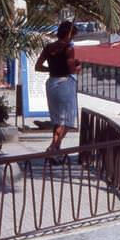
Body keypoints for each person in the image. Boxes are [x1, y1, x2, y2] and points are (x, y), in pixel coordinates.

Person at [34, 20, 80, 154]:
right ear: (69, 34)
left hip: (51, 83)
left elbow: (38, 67)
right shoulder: (69, 49)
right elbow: (72, 69)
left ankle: (56, 151)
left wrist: (51, 69)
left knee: (57, 120)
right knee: (67, 120)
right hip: (65, 84)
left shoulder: (48, 47)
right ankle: (54, 147)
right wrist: (78, 66)